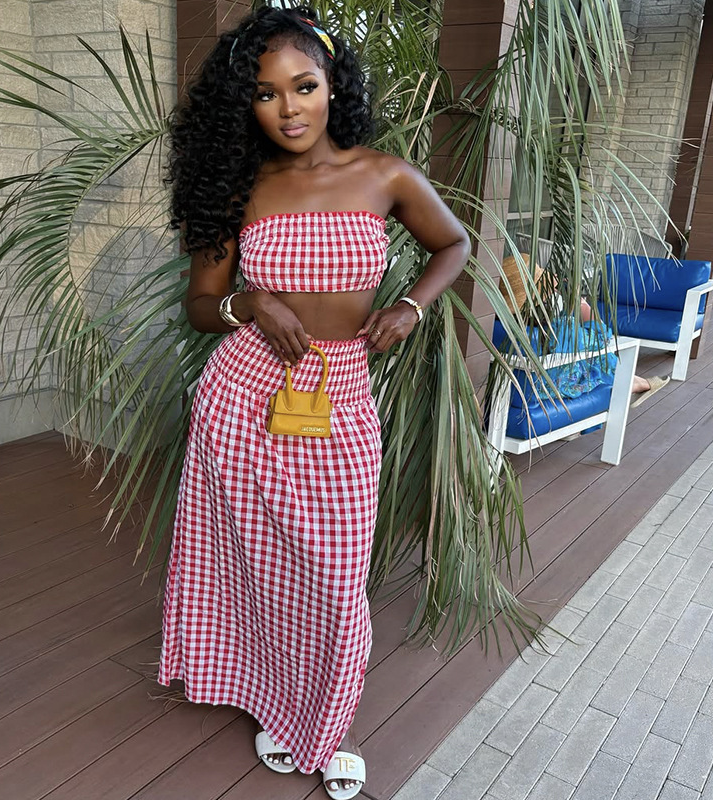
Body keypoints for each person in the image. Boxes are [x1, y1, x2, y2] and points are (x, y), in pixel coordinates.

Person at [158, 7, 470, 798]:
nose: (288, 108)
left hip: (340, 394)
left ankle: (329, 722)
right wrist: (251, 303)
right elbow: (201, 306)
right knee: (255, 565)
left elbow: (454, 243)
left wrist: (414, 306)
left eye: (304, 86)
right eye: (266, 94)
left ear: (334, 85)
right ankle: (272, 699)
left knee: (333, 571)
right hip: (244, 400)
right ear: (246, 104)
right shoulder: (237, 188)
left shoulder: (386, 175)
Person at [499, 254, 669, 410]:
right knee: (597, 354)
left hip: (516, 389)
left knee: (586, 352)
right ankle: (633, 383)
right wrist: (579, 301)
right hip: (549, 388)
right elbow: (602, 337)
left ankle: (635, 381)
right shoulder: (558, 331)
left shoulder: (500, 326)